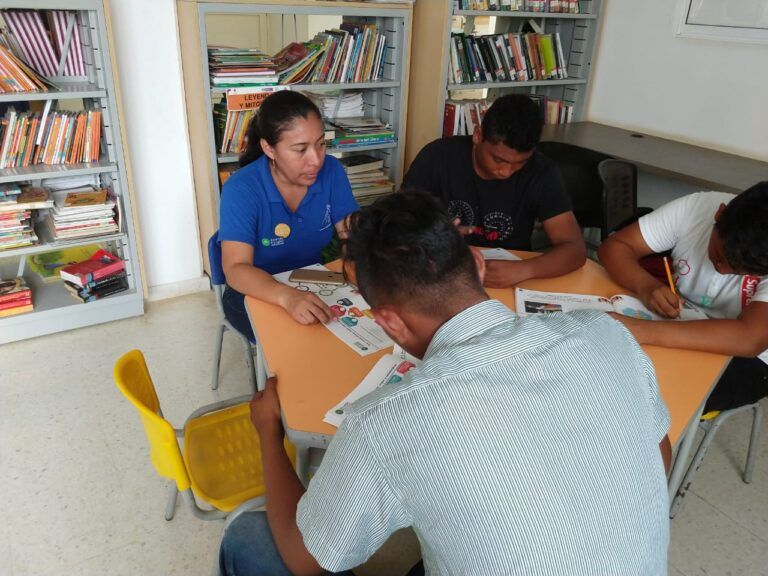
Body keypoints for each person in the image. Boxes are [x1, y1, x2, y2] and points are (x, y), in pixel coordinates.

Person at [219, 191, 671, 576]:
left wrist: (268, 433)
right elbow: (660, 450)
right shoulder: (607, 333)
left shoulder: (386, 420)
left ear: (389, 322)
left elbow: (306, 559)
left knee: (249, 540)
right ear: (476, 263)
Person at [598, 183, 768, 412]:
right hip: (679, 317)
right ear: (719, 214)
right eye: (718, 256)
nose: (722, 270)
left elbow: (750, 339)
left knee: (651, 395)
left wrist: (641, 330)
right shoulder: (697, 208)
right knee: (606, 368)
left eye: (740, 270)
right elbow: (617, 246)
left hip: (749, 359)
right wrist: (646, 285)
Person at [402, 94, 586, 288]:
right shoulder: (437, 157)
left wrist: (525, 270)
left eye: (520, 163)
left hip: (510, 276)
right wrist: (434, 238)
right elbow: (398, 225)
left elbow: (575, 249)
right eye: (498, 160)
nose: (506, 172)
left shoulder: (541, 171)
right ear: (478, 135)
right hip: (441, 269)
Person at [219, 90, 359, 339]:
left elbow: (351, 235)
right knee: (301, 339)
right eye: (300, 149)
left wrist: (360, 269)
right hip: (253, 290)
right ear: (269, 148)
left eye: (321, 144)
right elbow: (235, 268)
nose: (316, 160)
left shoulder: (332, 171)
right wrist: (287, 297)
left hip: (312, 276)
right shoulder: (242, 188)